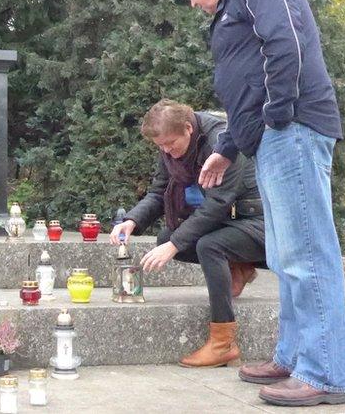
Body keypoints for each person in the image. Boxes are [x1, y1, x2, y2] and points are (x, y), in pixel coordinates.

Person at [174, 0, 345, 406]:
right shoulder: (233, 6)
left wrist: (278, 114)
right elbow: (244, 91)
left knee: (307, 254)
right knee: (286, 254)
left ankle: (324, 373)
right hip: (269, 139)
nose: (191, 2)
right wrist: (227, 149)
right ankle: (292, 357)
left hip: (292, 131)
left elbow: (285, 44)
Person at [110, 99, 265, 368]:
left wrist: (175, 243)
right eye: (161, 147)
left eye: (171, 144)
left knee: (207, 246)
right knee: (165, 238)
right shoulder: (171, 146)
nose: (168, 151)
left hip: (259, 222)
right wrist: (131, 220)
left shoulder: (222, 141)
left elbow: (218, 202)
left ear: (188, 129)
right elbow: (159, 191)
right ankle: (238, 266)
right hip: (227, 222)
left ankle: (223, 342)